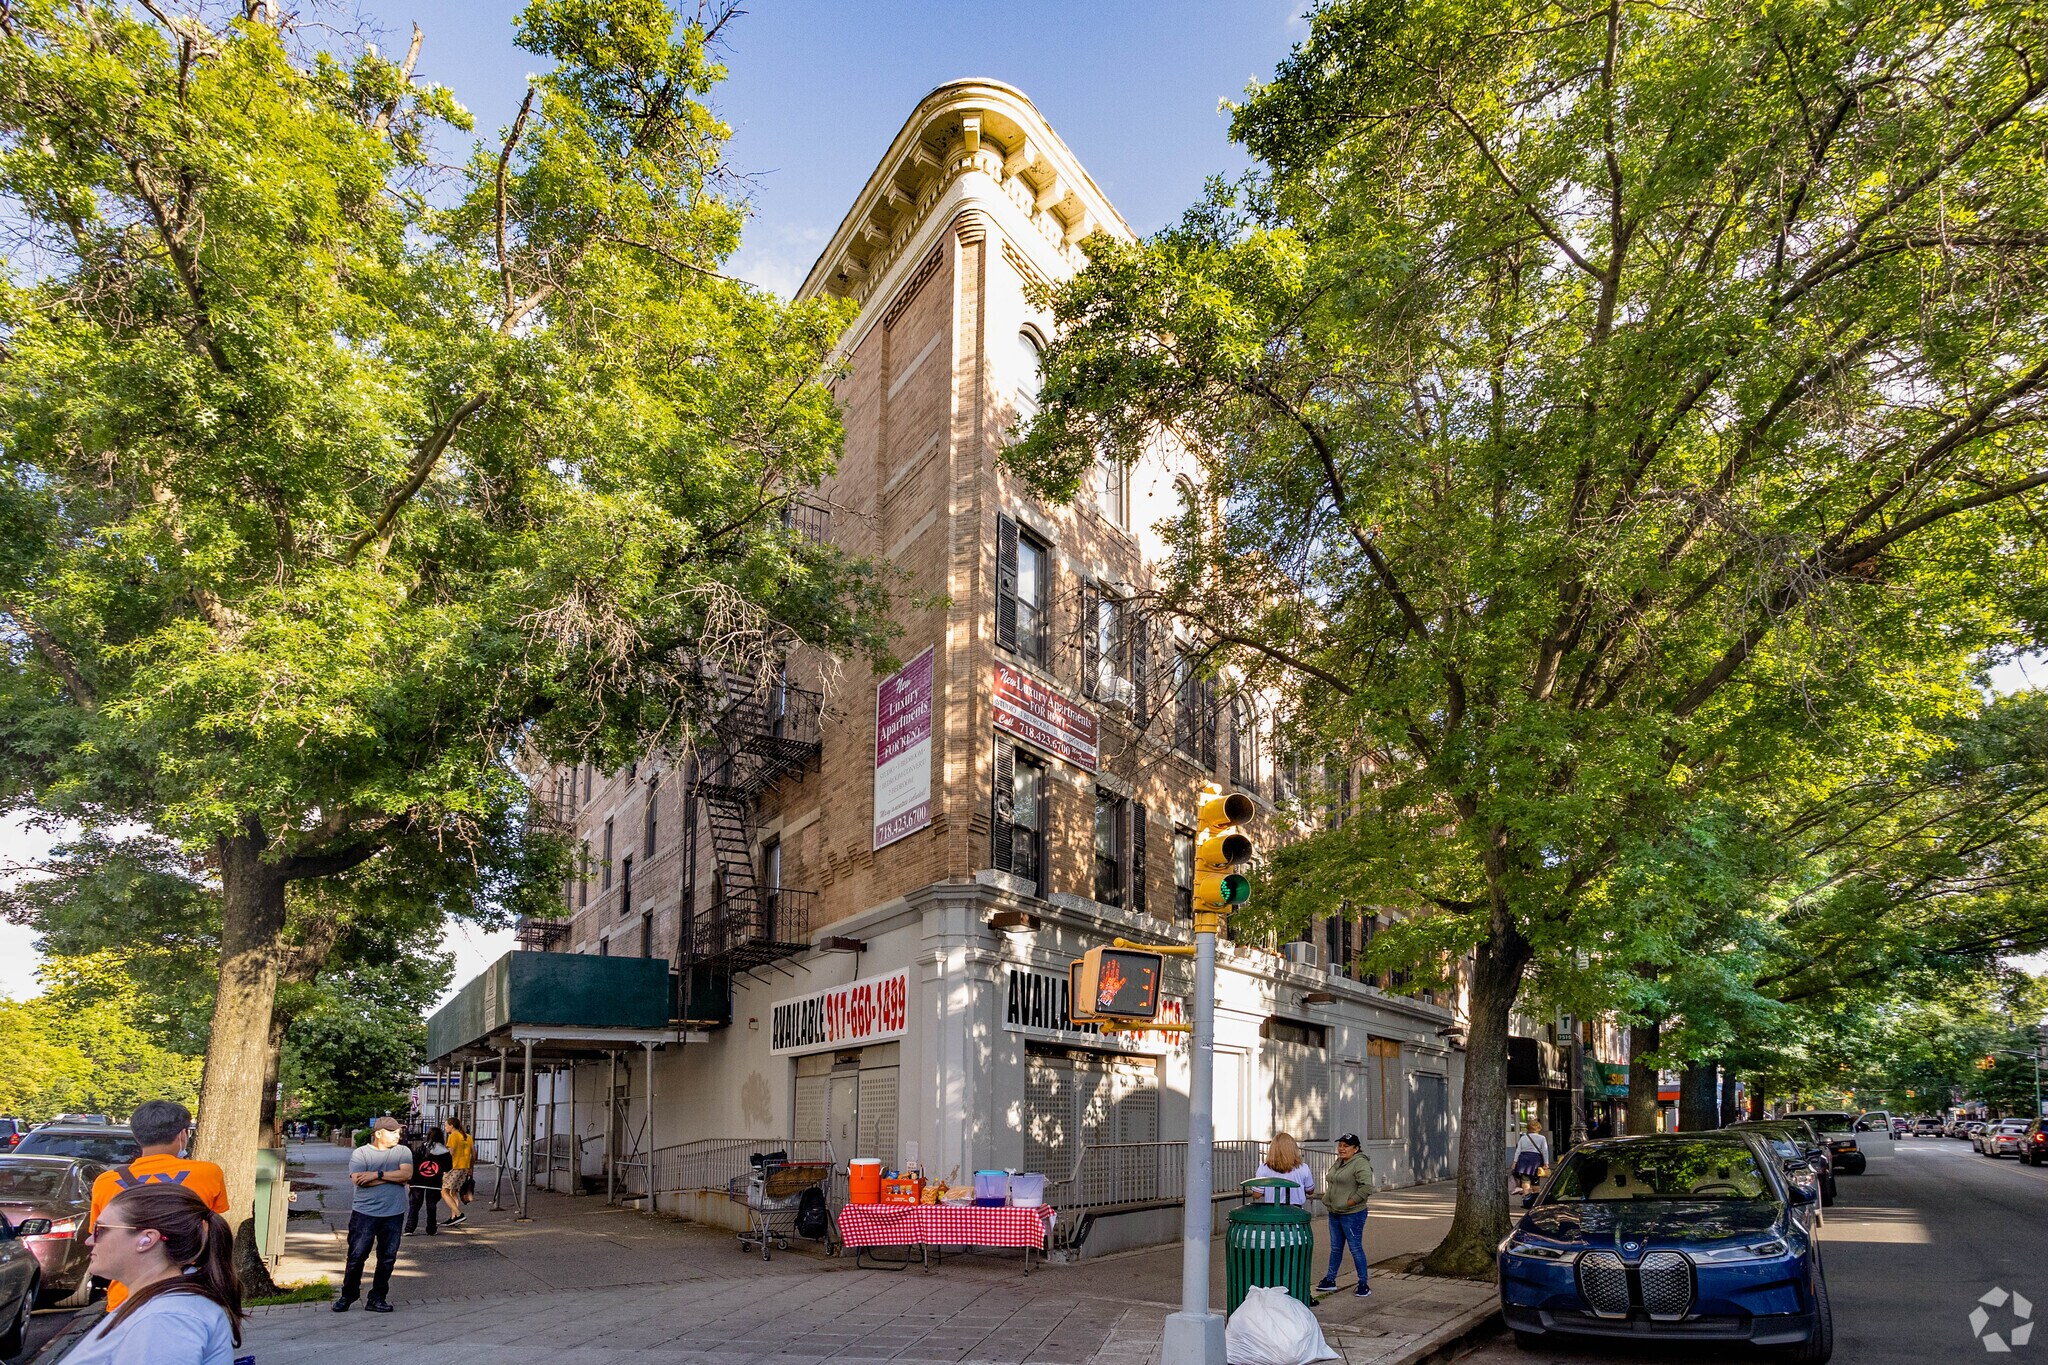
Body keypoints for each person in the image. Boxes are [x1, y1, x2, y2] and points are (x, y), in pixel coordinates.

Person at [65, 1182, 243, 1365]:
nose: (89, 1241)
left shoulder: (166, 1318)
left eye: (100, 1230)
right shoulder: (165, 1304)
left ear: (147, 1239)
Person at [88, 1100, 231, 1313]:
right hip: (188, 1289)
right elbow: (212, 1226)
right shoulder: (208, 1173)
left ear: (138, 1136)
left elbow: (99, 1235)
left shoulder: (106, 1181)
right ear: (182, 1135)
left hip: (126, 1296)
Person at [336, 1116, 413, 1313]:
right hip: (365, 1213)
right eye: (392, 1132)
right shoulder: (360, 1154)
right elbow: (358, 1180)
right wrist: (392, 1178)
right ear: (378, 1134)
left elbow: (406, 1175)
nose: (398, 1135)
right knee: (356, 1256)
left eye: (398, 1132)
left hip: (394, 1213)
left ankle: (377, 1298)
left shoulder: (403, 1151)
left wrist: (376, 1174)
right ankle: (348, 1294)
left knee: (387, 1257)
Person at [1315, 1133, 1374, 1298]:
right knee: (1335, 1248)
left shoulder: (1360, 1163)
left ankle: (1363, 1284)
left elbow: (1367, 1187)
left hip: (1352, 1214)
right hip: (1335, 1212)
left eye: (1346, 1146)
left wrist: (1350, 1202)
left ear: (1355, 1149)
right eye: (1340, 1145)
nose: (1341, 1149)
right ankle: (1330, 1280)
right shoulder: (1340, 1162)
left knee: (1355, 1248)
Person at [405, 1128, 450, 1235]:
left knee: (414, 1205)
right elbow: (448, 1167)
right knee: (432, 1205)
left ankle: (409, 1229)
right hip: (434, 1182)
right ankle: (431, 1228)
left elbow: (413, 1163)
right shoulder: (444, 1151)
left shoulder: (420, 1148)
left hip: (417, 1181)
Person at [1254, 1132, 1314, 1206]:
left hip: (1273, 1210)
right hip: (1295, 1211)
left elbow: (1257, 1195)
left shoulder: (1264, 1168)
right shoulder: (1303, 1168)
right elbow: (1310, 1191)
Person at [442, 1116, 474, 1226]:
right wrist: (470, 1167)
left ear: (451, 1126)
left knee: (444, 1191)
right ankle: (454, 1217)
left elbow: (450, 1153)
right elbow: (473, 1154)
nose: (445, 1127)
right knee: (453, 1192)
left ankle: (459, 1214)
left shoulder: (453, 1136)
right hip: (464, 1167)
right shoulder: (468, 1137)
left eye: (446, 1125)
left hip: (454, 1167)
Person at [1512, 1121, 1553, 1195]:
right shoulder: (1542, 1138)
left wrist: (1515, 1162)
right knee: (1535, 1180)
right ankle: (1535, 1198)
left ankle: (1526, 1197)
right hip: (1535, 1160)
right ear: (1538, 1128)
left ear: (1528, 1129)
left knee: (1525, 1180)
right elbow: (1545, 1151)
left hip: (1523, 1160)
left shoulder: (1523, 1138)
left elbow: (1518, 1151)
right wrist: (1546, 1163)